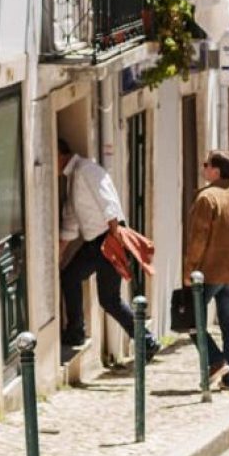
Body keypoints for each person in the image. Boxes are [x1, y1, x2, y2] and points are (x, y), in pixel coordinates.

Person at [58, 139, 159, 364]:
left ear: (60, 154)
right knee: (77, 280)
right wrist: (60, 251)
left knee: (107, 297)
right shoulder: (73, 177)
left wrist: (115, 237)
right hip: (96, 243)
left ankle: (146, 340)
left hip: (106, 240)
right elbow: (71, 220)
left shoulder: (86, 169)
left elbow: (108, 203)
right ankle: (77, 331)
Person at [184, 150, 229, 391]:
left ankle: (216, 361)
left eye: (206, 164)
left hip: (209, 272)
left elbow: (198, 238)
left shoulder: (207, 199)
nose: (203, 167)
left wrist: (190, 270)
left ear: (215, 171)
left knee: (192, 321)